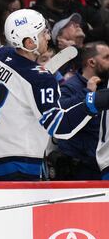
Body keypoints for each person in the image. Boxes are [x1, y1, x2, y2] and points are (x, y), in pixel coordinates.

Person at [0, 9, 109, 181]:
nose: (48, 37)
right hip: (17, 166)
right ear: (30, 42)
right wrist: (93, 102)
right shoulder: (40, 79)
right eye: (43, 32)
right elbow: (60, 127)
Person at [46, 41, 109, 180]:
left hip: (99, 167)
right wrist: (86, 93)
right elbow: (58, 112)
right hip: (78, 170)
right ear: (92, 62)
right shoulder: (71, 86)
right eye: (107, 57)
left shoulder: (105, 87)